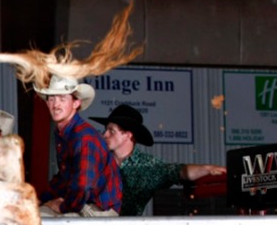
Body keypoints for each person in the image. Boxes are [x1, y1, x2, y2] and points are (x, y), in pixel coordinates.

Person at [90, 104, 227, 216]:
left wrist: (207, 169)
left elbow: (179, 171)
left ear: (127, 135)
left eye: (111, 130)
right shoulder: (97, 159)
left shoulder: (147, 166)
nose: (104, 134)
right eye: (105, 130)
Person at [35, 75, 122, 217]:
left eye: (62, 99)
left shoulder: (83, 137)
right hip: (82, 203)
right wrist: (41, 199)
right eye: (51, 99)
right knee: (32, 217)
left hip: (98, 210)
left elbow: (82, 185)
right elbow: (64, 178)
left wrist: (62, 206)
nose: (56, 105)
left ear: (76, 103)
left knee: (42, 223)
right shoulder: (64, 133)